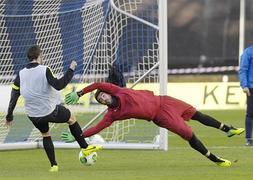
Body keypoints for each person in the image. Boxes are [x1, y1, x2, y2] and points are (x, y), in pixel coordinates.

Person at [65, 82, 245, 167]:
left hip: (164, 100)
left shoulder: (117, 90)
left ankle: (227, 129)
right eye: (100, 99)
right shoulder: (112, 114)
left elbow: (97, 84)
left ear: (108, 93)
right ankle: (215, 159)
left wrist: (80, 92)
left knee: (196, 113)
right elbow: (97, 127)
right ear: (102, 104)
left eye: (103, 95)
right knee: (188, 134)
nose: (103, 98)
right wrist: (78, 135)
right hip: (160, 115)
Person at [5, 45, 101, 172]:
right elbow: (59, 85)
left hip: (33, 115)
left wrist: (9, 115)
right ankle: (85, 147)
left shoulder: (21, 74)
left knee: (45, 134)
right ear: (39, 55)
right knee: (71, 118)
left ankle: (54, 165)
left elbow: (14, 96)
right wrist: (71, 70)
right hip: (49, 111)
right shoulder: (44, 69)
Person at [239, 45, 253, 146]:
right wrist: (244, 85)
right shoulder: (248, 52)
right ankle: (248, 139)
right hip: (251, 87)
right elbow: (243, 69)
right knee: (251, 112)